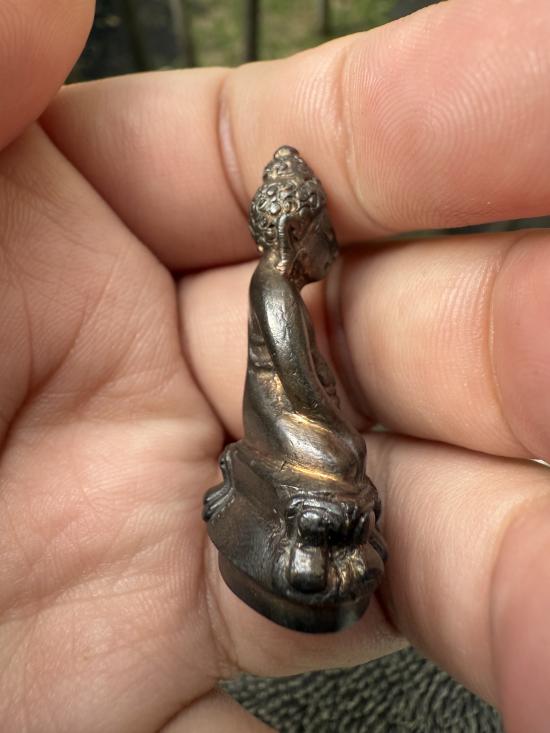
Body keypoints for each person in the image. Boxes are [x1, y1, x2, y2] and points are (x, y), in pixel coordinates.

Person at [0, 0, 548, 730]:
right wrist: (332, 430)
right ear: (294, 231)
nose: (326, 246)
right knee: (339, 457)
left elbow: (309, 375)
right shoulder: (273, 289)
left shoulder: (281, 288)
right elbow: (292, 376)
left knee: (344, 457)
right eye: (316, 232)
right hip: (280, 414)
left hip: (285, 413)